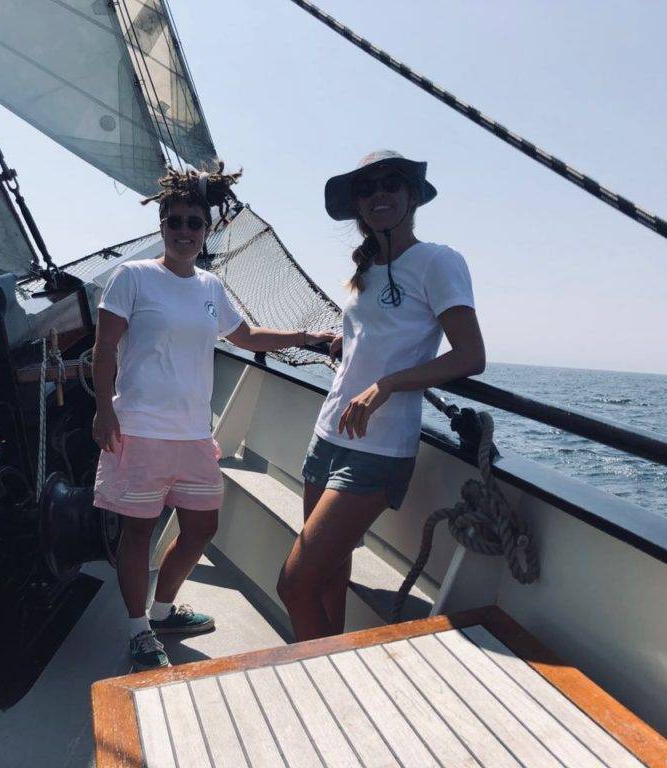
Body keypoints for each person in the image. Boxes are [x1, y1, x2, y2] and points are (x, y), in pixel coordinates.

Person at [91, 164, 335, 670]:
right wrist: (103, 410)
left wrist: (306, 337)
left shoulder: (210, 287)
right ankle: (139, 631)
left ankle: (162, 612)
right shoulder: (133, 277)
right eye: (175, 221)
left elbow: (245, 337)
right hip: (139, 429)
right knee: (138, 534)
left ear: (206, 230)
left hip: (193, 435)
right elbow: (105, 347)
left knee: (202, 527)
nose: (184, 231)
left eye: (194, 223)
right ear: (162, 225)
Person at [277, 150, 486, 641]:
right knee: (327, 576)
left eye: (391, 183)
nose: (378, 195)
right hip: (328, 434)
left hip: (379, 448)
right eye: (366, 189)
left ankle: (318, 675)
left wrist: (387, 383)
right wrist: (346, 341)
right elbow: (378, 334)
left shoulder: (437, 261)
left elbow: (470, 356)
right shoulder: (366, 271)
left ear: (412, 196)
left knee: (294, 584)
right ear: (357, 205)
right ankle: (333, 665)